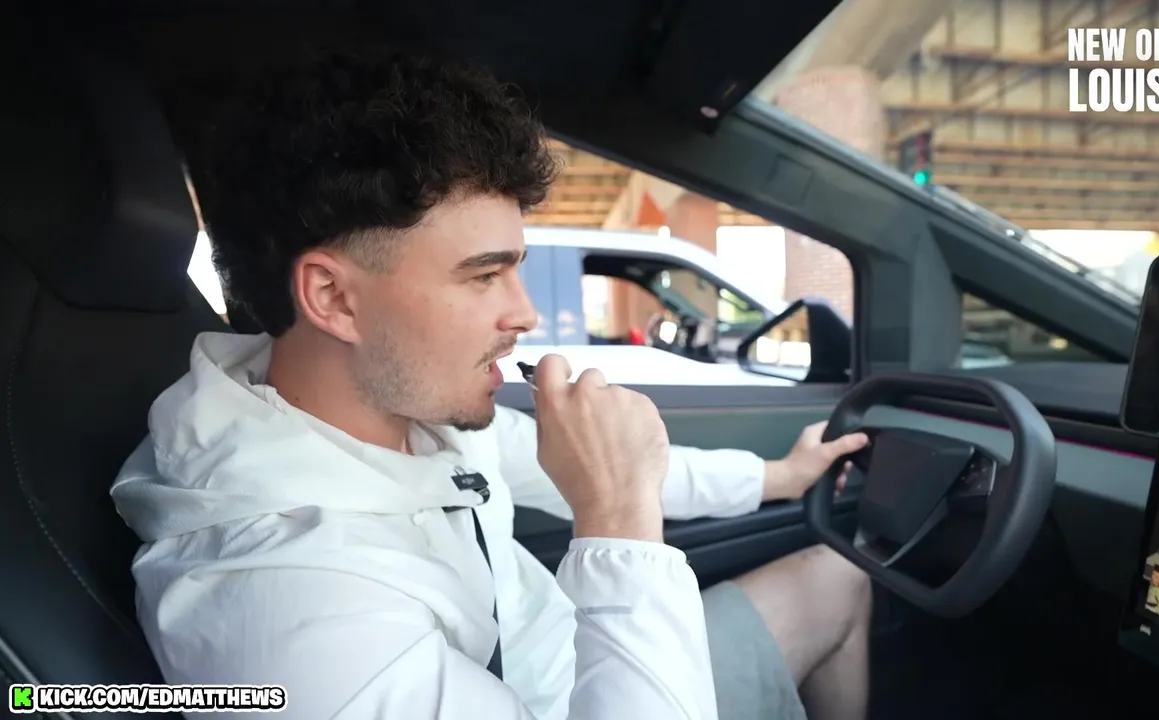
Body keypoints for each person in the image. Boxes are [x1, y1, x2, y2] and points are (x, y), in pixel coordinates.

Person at [110, 50, 872, 720]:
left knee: (841, 578)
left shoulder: (404, 418)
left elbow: (591, 461)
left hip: (579, 671)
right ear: (335, 298)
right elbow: (617, 492)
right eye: (484, 276)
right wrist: (618, 523)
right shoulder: (287, 608)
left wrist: (781, 476)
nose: (527, 314)